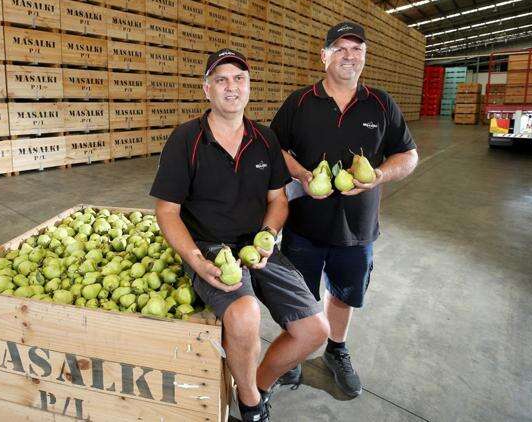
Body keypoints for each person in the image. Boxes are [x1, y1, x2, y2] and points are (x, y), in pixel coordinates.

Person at [151, 49, 330, 422]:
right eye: (221, 79)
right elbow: (167, 212)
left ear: (249, 87)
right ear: (207, 89)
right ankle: (250, 407)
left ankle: (254, 386)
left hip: (257, 244)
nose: (231, 87)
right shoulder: (185, 140)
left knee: (315, 330)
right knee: (245, 313)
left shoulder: (265, 140)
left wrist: (267, 236)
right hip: (209, 249)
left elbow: (278, 200)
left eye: (239, 79)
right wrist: (197, 262)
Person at [270, 22, 419, 398]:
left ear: (365, 57)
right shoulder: (299, 103)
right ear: (324, 56)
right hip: (304, 225)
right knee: (300, 293)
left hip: (357, 228)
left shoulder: (381, 103)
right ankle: (293, 352)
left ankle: (336, 350)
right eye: (340, 48)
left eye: (357, 49)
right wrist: (303, 176)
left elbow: (409, 154)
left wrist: (380, 174)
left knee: (345, 294)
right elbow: (276, 150)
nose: (349, 56)